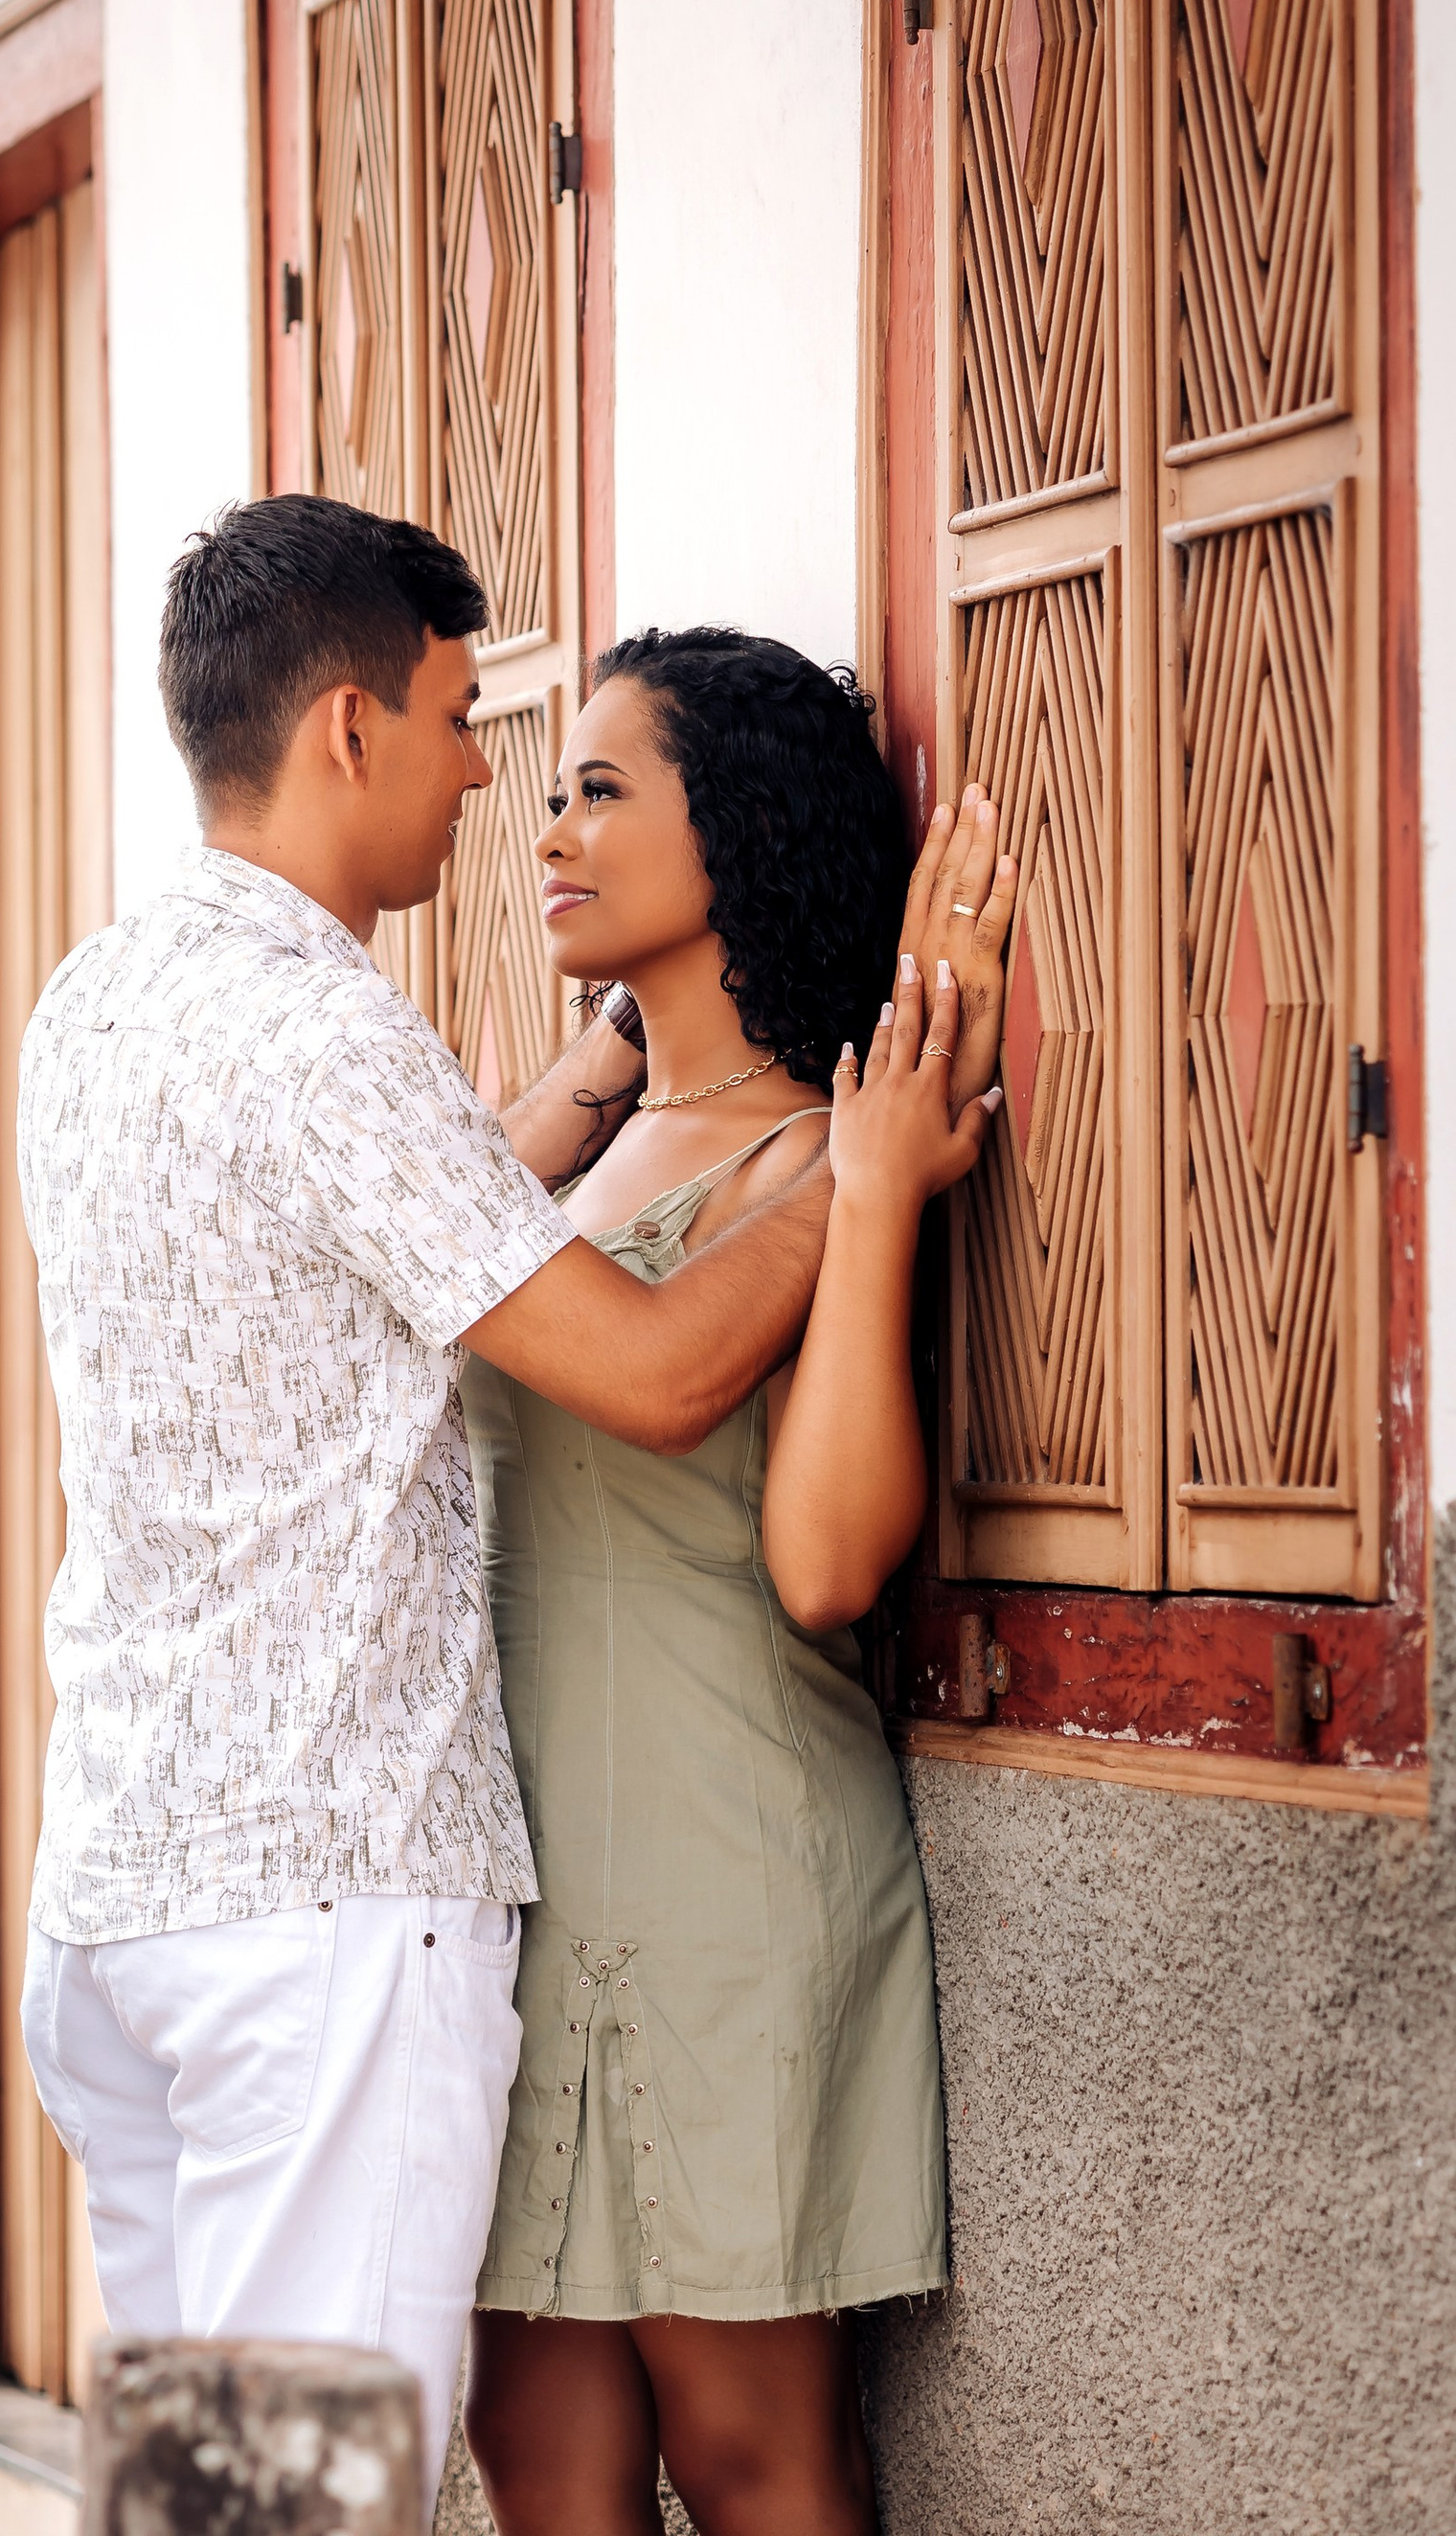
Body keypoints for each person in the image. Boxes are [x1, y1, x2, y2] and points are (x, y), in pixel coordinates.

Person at [12, 500, 993, 2519]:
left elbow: (436, 1222)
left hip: (151, 1877)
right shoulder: (321, 1039)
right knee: (313, 2496)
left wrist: (663, 1092)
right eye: (472, 729)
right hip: (325, 1909)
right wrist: (863, 1171)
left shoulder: (98, 1003)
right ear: (351, 730)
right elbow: (629, 1364)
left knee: (228, 2488)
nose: (499, 795)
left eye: (580, 782)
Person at [461, 627, 1015, 2536]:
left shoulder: (817, 1149)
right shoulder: (561, 1162)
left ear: (742, 825)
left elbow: (823, 1563)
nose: (549, 823)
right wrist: (607, 1050)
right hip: (514, 1907)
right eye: (545, 785)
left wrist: (869, 1209)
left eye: (602, 788)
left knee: (754, 2465)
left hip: (722, 1885)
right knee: (539, 2473)